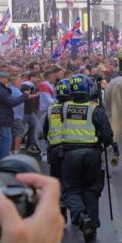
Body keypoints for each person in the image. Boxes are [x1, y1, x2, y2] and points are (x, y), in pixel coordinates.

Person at [59, 74, 116, 242]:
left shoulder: (64, 108)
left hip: (70, 155)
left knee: (72, 190)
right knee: (91, 189)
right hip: (92, 154)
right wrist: (106, 143)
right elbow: (107, 135)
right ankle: (92, 225)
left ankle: (82, 217)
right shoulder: (95, 109)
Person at [42, 78, 72, 220]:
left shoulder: (51, 109)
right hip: (72, 148)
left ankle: (61, 210)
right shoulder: (77, 107)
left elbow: (44, 131)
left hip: (55, 150)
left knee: (57, 182)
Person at [0, 71, 27, 164]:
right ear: (1, 79)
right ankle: (4, 161)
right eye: (7, 78)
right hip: (2, 119)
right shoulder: (1, 91)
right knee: (6, 140)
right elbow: (13, 102)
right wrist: (25, 95)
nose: (8, 80)